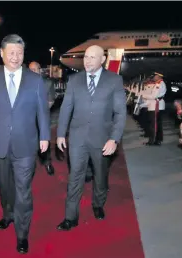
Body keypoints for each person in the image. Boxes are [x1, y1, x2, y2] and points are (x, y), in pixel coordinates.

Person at [0, 34, 50, 254]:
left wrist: (45, 136)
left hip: (26, 144)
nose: (15, 57)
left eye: (19, 53)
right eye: (11, 52)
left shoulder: (35, 80)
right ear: (1, 53)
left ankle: (22, 234)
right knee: (5, 185)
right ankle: (7, 214)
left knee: (23, 190)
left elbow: (42, 111)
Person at [56, 45, 126, 231]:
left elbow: (120, 112)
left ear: (102, 60)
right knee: (75, 176)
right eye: (86, 57)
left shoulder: (114, 80)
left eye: (92, 57)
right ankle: (71, 217)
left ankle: (98, 204)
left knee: (100, 175)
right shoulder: (74, 80)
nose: (87, 61)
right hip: (77, 138)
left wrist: (114, 139)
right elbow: (66, 108)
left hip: (103, 139)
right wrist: (61, 133)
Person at [29, 61, 55, 175]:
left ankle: (47, 162)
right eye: (30, 69)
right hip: (27, 119)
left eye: (35, 69)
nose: (32, 71)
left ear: (40, 70)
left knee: (44, 142)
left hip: (42, 118)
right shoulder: (23, 83)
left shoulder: (48, 83)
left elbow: (50, 101)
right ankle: (30, 165)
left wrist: (39, 111)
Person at [142, 72, 166, 146]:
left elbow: (153, 95)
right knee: (157, 124)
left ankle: (152, 140)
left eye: (154, 76)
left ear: (158, 76)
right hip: (156, 105)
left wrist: (143, 95)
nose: (153, 77)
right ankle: (157, 140)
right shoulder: (158, 83)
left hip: (157, 105)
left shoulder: (159, 83)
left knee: (154, 124)